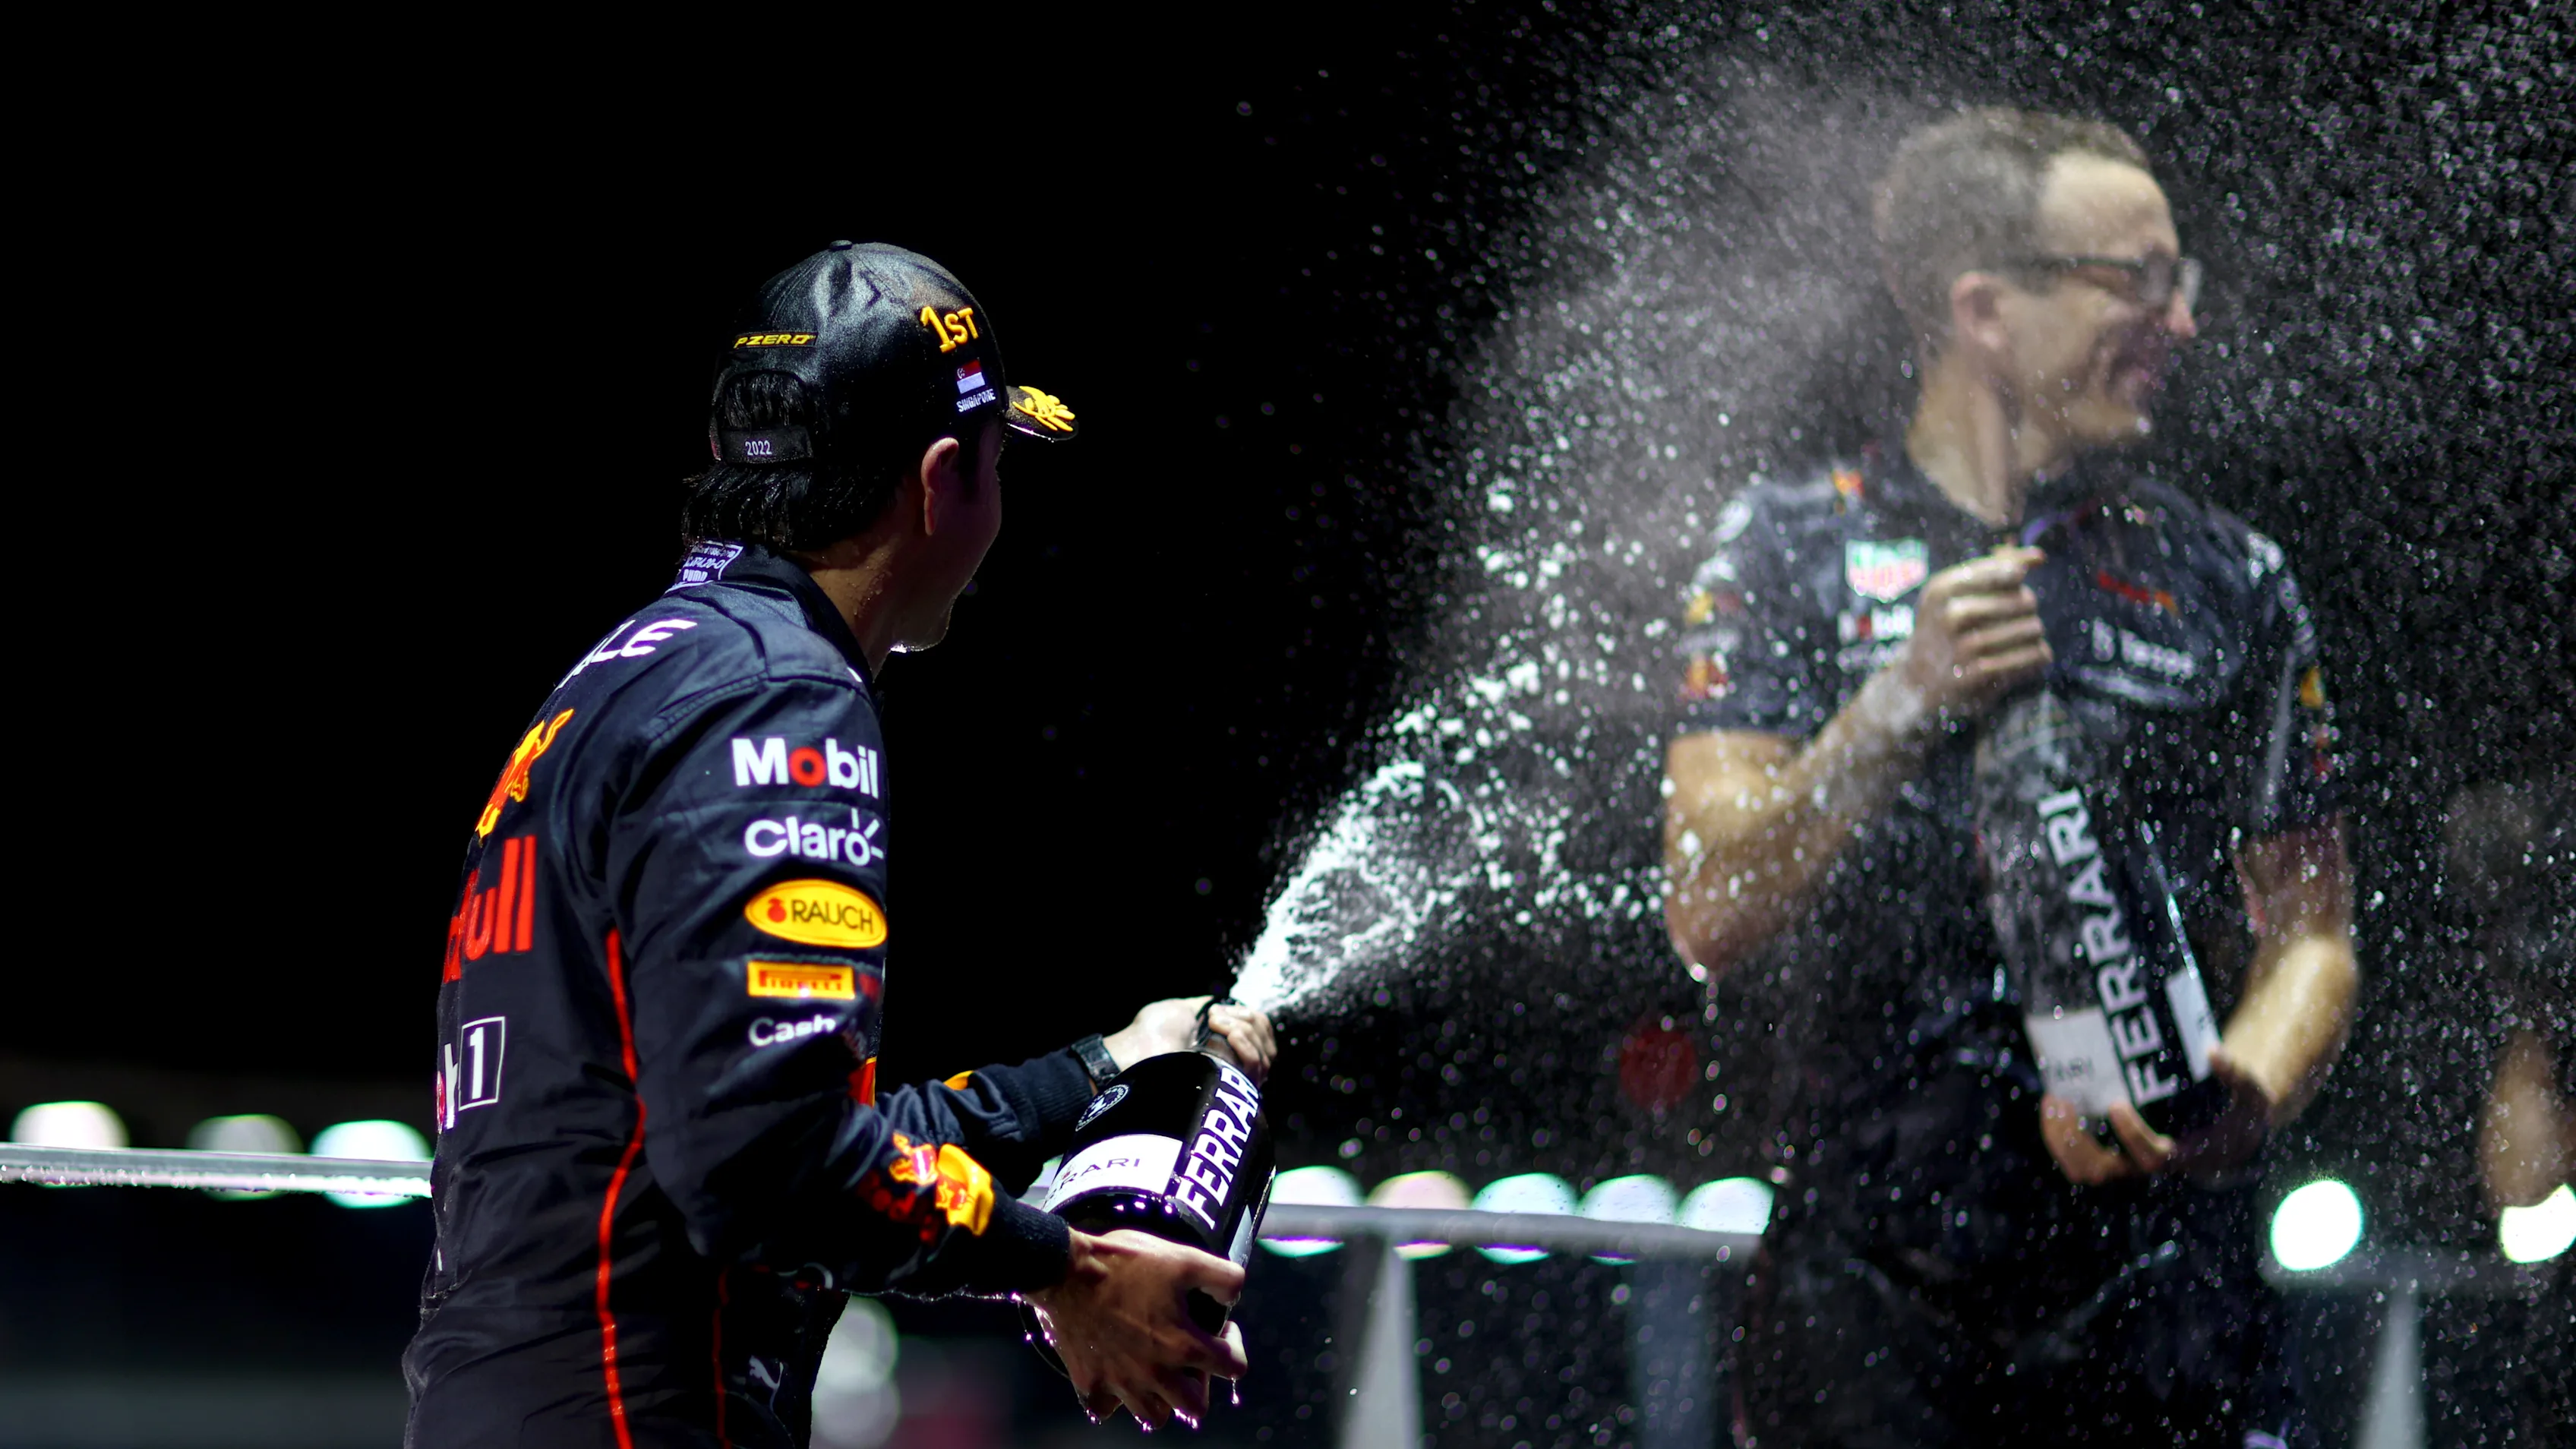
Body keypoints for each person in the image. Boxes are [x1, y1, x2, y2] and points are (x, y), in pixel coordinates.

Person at [402, 241, 1277, 1447]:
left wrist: (1104, 1064)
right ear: (940, 483)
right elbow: (768, 1160)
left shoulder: (622, 680)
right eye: (998, 465)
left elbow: (750, 1131)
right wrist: (1065, 1269)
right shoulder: (783, 699)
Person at [1661, 111, 2358, 1447]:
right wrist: (1900, 702)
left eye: (2182, 281)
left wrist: (2228, 1102)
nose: (2181, 323)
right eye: (2138, 281)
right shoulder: (1791, 547)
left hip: (2164, 1287)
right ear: (1985, 307)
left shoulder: (2230, 575)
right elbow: (1710, 908)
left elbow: (2315, 933)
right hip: (1866, 1299)